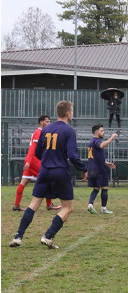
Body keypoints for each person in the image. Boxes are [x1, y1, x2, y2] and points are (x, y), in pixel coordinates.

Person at [9, 100, 88, 249]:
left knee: (33, 204)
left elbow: (38, 152)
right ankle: (48, 236)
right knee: (67, 208)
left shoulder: (46, 129)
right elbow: (72, 155)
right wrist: (83, 168)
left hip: (44, 170)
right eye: (72, 111)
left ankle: (18, 236)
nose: (72, 113)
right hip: (60, 170)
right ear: (68, 113)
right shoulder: (69, 131)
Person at [13, 115, 61, 212]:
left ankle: (16, 205)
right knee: (48, 179)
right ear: (41, 122)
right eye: (47, 122)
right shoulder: (39, 133)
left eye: (49, 122)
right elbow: (32, 149)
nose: (49, 123)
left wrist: (28, 162)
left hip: (30, 160)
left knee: (24, 182)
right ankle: (49, 204)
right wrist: (29, 162)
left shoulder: (40, 132)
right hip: (34, 160)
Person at [86, 125, 118, 214]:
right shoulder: (96, 141)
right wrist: (112, 138)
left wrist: (106, 163)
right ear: (96, 132)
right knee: (104, 187)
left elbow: (96, 157)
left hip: (92, 168)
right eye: (102, 131)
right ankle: (103, 208)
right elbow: (102, 145)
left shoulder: (91, 141)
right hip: (99, 169)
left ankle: (90, 205)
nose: (103, 132)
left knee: (96, 188)